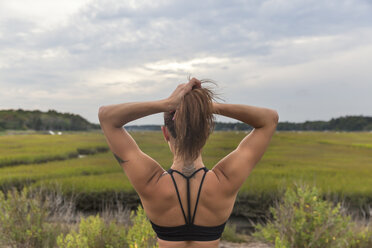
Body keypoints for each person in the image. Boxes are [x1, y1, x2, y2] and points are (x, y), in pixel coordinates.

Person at [98, 77, 279, 248]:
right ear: (206, 132)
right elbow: (269, 119)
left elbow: (106, 116)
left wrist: (167, 104)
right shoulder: (225, 180)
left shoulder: (150, 182)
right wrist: (207, 107)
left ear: (165, 133)